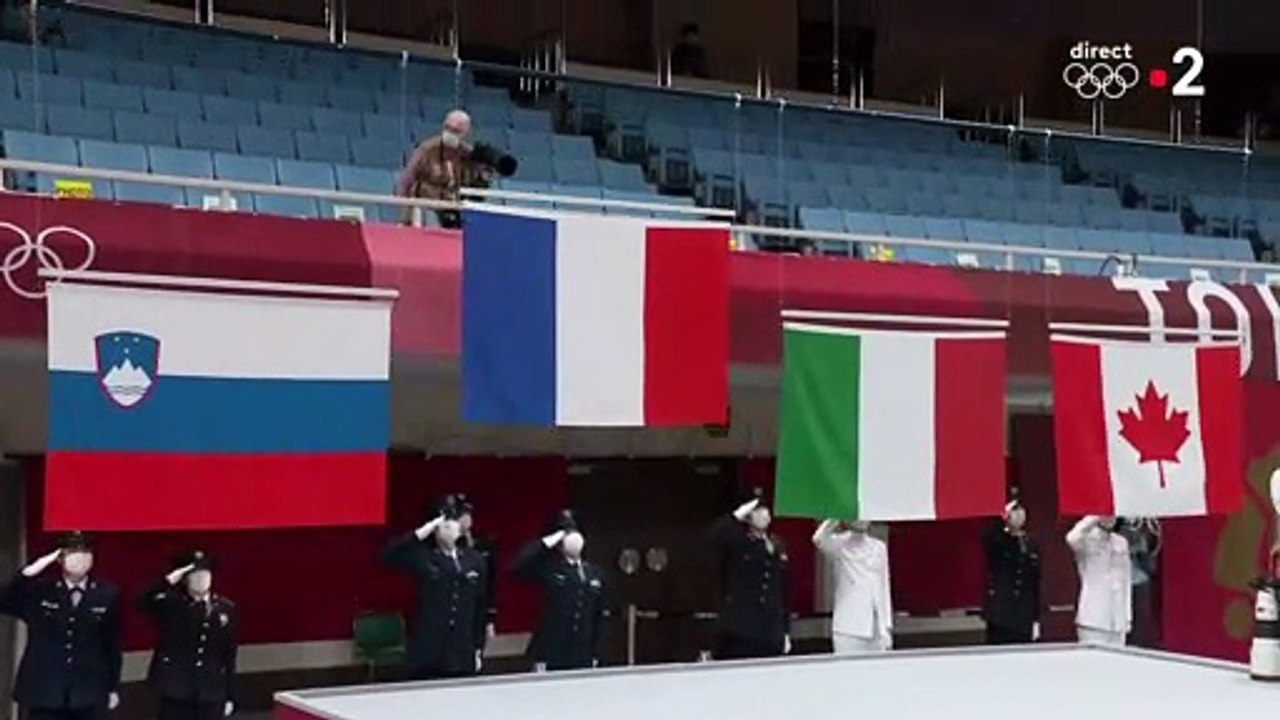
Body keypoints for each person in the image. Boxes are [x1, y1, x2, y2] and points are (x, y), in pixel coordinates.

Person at [0, 532, 121, 720]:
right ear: (59, 559)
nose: (80, 558)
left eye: (86, 552)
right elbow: (4, 601)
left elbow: (111, 644)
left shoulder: (107, 593)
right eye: (72, 552)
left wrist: (112, 687)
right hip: (44, 691)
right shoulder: (40, 590)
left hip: (88, 691)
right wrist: (26, 574)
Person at [380, 494, 489, 680]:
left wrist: (478, 647)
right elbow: (388, 555)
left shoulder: (474, 560)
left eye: (451, 522)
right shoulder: (424, 557)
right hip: (428, 649)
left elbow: (480, 605)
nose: (448, 527)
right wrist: (422, 532)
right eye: (443, 524)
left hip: (461, 649)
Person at [137, 551, 239, 720]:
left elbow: (229, 655)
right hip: (176, 690)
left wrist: (230, 695)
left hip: (210, 691)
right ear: (185, 579)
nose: (201, 579)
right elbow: (141, 602)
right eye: (195, 575)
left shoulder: (225, 608)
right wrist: (167, 581)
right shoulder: (171, 603)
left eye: (205, 574)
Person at [511, 510, 607, 671]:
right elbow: (518, 566)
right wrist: (549, 541)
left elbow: (599, 616)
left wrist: (597, 652)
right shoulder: (549, 568)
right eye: (566, 533)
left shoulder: (594, 573)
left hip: (583, 653)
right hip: (552, 652)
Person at [396, 109, 515, 228]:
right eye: (447, 128)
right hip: (427, 206)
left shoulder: (468, 154)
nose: (450, 134)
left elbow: (476, 194)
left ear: (465, 133)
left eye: (456, 131)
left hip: (454, 208)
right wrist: (405, 218)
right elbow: (406, 181)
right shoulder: (427, 149)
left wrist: (484, 178)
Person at [709, 488, 791, 660]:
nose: (763, 514)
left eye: (765, 509)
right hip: (741, 629)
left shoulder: (777, 544)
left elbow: (782, 590)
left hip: (771, 630)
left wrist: (785, 630)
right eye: (756, 510)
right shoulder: (737, 540)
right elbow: (715, 536)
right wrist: (737, 515)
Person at [812, 519, 892, 653]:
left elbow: (884, 588)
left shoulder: (879, 547)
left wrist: (886, 627)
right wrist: (836, 517)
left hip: (876, 627)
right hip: (848, 627)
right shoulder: (839, 544)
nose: (861, 520)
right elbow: (818, 538)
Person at [982, 498, 1042, 645]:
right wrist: (1003, 521)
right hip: (1001, 611)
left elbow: (1035, 582)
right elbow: (989, 537)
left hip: (1024, 612)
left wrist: (1036, 618)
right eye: (1014, 511)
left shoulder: (1031, 542)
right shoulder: (999, 539)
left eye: (1021, 510)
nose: (1019, 514)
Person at [1066, 515, 1132, 646]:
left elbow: (1126, 581)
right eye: (1107, 514)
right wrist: (1095, 517)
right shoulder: (1087, 539)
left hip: (1117, 619)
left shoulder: (1121, 542)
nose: (1110, 518)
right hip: (1093, 617)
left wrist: (1127, 616)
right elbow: (1071, 538)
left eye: (1112, 515)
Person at [456, 495, 499, 638]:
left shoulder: (483, 544)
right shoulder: (447, 546)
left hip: (479, 610)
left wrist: (490, 618)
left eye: (467, 514)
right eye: (460, 515)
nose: (465, 519)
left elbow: (490, 582)